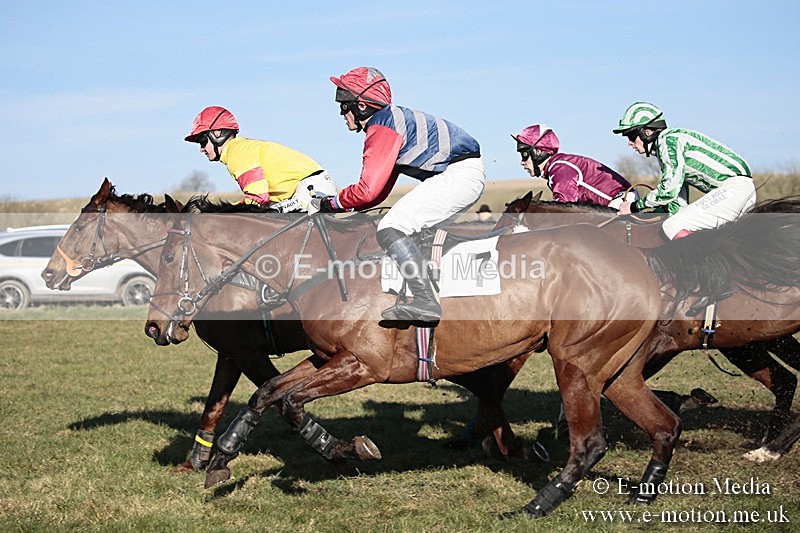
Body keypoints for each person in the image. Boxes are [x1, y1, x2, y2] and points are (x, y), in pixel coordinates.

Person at [314, 67, 485, 324]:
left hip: (458, 175)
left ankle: (426, 301)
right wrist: (339, 206)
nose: (341, 112)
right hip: (460, 174)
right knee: (399, 223)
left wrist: (331, 203)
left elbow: (367, 190)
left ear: (361, 106)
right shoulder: (390, 120)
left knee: (392, 226)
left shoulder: (381, 126)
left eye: (344, 104)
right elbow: (377, 193)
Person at [613, 102, 756, 240]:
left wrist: (634, 207)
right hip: (735, 191)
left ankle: (705, 263)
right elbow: (677, 202)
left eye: (631, 136)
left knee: (672, 226)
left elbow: (668, 191)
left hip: (734, 191)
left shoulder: (667, 142)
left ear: (647, 132)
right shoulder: (669, 143)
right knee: (675, 221)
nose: (629, 143)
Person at [184, 106, 337, 211]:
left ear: (217, 134)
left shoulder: (236, 153)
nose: (201, 149)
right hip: (310, 186)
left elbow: (258, 199)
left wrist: (225, 212)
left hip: (310, 189)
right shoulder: (238, 149)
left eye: (202, 141)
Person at [512, 124, 635, 208]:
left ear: (538, 152)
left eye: (524, 154)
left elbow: (565, 211)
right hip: (616, 202)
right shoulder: (557, 166)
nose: (522, 162)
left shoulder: (559, 168)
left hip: (620, 202)